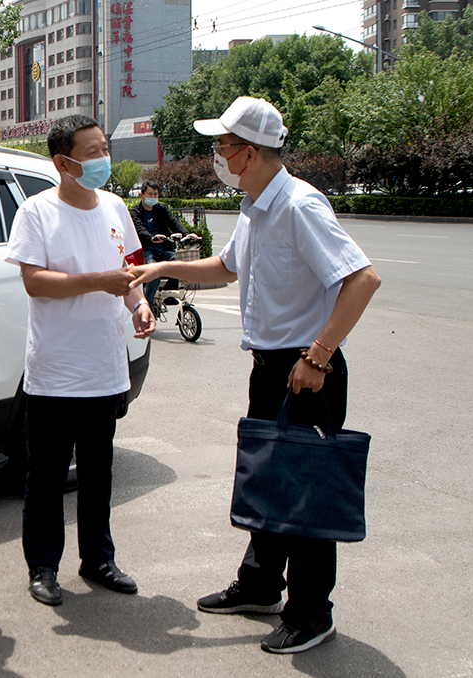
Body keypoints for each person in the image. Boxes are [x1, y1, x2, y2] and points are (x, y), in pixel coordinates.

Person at [127, 96, 381, 655]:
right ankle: (262, 584)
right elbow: (226, 267)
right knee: (268, 478)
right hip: (270, 367)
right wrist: (163, 266)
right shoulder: (254, 205)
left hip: (306, 370)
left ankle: (313, 612)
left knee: (306, 492)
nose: (215, 155)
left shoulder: (298, 205)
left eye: (220, 146)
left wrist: (318, 356)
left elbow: (362, 280)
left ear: (246, 154)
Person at [5, 114, 156, 607]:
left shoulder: (114, 206)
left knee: (99, 470)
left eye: (103, 148)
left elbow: (130, 272)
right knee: (47, 476)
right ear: (63, 162)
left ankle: (99, 559)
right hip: (54, 370)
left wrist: (140, 304)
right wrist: (97, 281)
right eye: (91, 152)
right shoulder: (36, 212)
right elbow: (35, 282)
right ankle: (43, 568)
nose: (102, 159)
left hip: (104, 366)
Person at [128, 180, 195, 314]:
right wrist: (151, 237)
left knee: (179, 263)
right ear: (142, 195)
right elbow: (139, 228)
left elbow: (174, 222)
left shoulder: (161, 209)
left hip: (164, 249)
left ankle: (168, 294)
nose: (153, 197)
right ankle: (148, 304)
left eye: (155, 194)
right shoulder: (135, 212)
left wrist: (187, 234)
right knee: (153, 271)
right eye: (150, 194)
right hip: (147, 250)